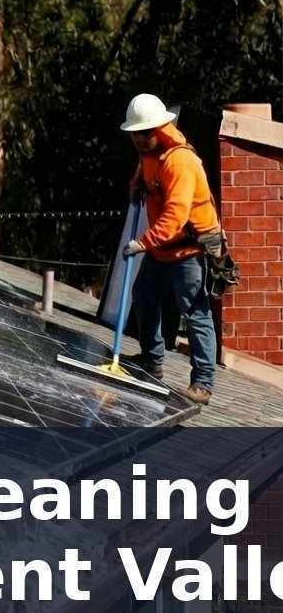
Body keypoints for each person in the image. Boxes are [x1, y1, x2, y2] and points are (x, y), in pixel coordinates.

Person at [120, 93, 220, 405]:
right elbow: (143, 180)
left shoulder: (180, 161)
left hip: (187, 250)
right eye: (134, 134)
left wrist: (141, 243)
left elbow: (176, 216)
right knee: (144, 297)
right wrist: (136, 186)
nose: (136, 139)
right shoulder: (148, 151)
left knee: (195, 313)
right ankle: (152, 360)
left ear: (157, 130)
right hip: (162, 248)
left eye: (141, 133)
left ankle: (202, 383)